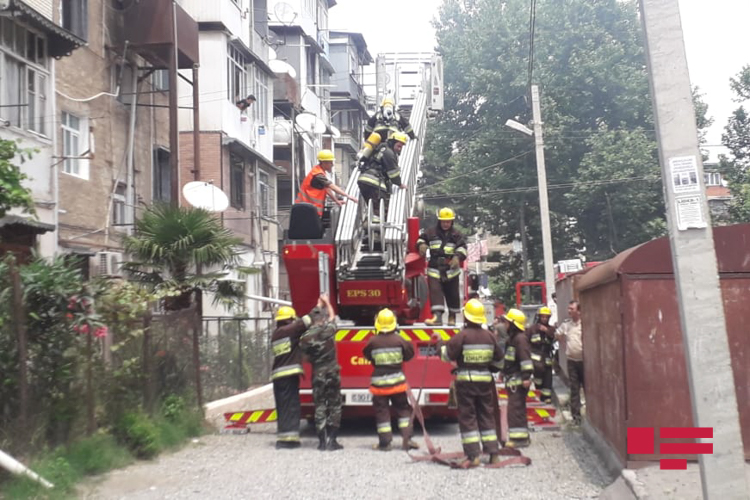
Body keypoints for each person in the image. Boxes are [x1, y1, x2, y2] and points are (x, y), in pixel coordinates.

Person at [432, 299, 504, 467]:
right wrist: (489, 369)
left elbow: (446, 356)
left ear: (466, 317)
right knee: (487, 416)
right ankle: (493, 454)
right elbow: (499, 362)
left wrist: (439, 343)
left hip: (466, 383)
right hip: (485, 383)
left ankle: (473, 456)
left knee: (468, 417)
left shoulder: (462, 336)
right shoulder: (490, 337)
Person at [362, 308, 418, 451]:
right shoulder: (400, 340)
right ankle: (407, 440)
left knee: (382, 413)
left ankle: (385, 443)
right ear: (394, 324)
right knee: (403, 410)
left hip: (379, 384)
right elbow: (410, 354)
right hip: (397, 383)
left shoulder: (372, 341)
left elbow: (367, 355)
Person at [270, 301, 322, 449]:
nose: (294, 321)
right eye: (292, 319)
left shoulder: (276, 334)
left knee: (283, 407)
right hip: (287, 376)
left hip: (279, 376)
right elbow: (306, 320)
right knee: (291, 406)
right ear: (288, 320)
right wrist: (319, 305)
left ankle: (284, 438)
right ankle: (289, 441)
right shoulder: (287, 331)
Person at [299, 294, 343, 451]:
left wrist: (318, 305)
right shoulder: (327, 330)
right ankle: (333, 441)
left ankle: (322, 442)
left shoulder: (305, 338)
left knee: (319, 406)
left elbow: (304, 358)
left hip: (317, 373)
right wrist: (327, 303)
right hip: (332, 372)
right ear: (323, 319)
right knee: (335, 405)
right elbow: (332, 317)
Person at [416, 207, 468, 326]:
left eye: (448, 221)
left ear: (452, 222)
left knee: (453, 294)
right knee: (435, 292)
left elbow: (463, 248)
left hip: (451, 269)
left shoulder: (457, 234)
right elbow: (420, 239)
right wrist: (422, 245)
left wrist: (457, 257)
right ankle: (437, 318)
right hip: (434, 268)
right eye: (444, 221)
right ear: (439, 221)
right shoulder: (431, 232)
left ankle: (452, 317)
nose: (446, 224)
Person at [500, 308, 533, 448]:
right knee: (516, 408)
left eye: (507, 322)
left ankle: (519, 440)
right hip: (512, 379)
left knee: (515, 409)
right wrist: (503, 371)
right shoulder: (512, 339)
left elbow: (525, 359)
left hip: (519, 381)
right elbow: (509, 359)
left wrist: (526, 377)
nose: (505, 324)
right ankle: (523, 437)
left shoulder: (520, 339)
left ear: (513, 324)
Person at [357, 132, 408, 223]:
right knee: (382, 209)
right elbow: (393, 174)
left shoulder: (379, 148)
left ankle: (369, 225)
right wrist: (400, 184)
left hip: (363, 180)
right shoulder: (389, 153)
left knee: (372, 205)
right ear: (392, 142)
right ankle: (376, 230)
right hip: (375, 182)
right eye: (399, 146)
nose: (399, 149)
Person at [296, 149, 358, 217]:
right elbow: (332, 186)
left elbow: (327, 189)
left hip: (309, 209)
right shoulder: (318, 174)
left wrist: (336, 201)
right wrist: (348, 196)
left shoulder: (319, 172)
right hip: (306, 210)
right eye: (330, 162)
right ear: (323, 162)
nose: (332, 165)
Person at [556, 300, 584, 425]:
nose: (569, 311)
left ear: (578, 310)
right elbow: (558, 334)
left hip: (584, 361)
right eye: (568, 308)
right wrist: (562, 342)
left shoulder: (584, 324)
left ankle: (590, 415)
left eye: (571, 309)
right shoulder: (567, 324)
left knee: (589, 389)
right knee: (574, 389)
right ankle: (576, 417)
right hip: (572, 361)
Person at [526, 306, 556, 404]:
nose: (544, 319)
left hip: (546, 358)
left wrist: (546, 331)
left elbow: (553, 337)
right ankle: (539, 395)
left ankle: (547, 398)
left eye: (546, 317)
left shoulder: (551, 329)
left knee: (548, 379)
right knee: (538, 380)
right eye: (542, 317)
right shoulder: (532, 329)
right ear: (539, 317)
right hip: (535, 360)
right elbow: (526, 342)